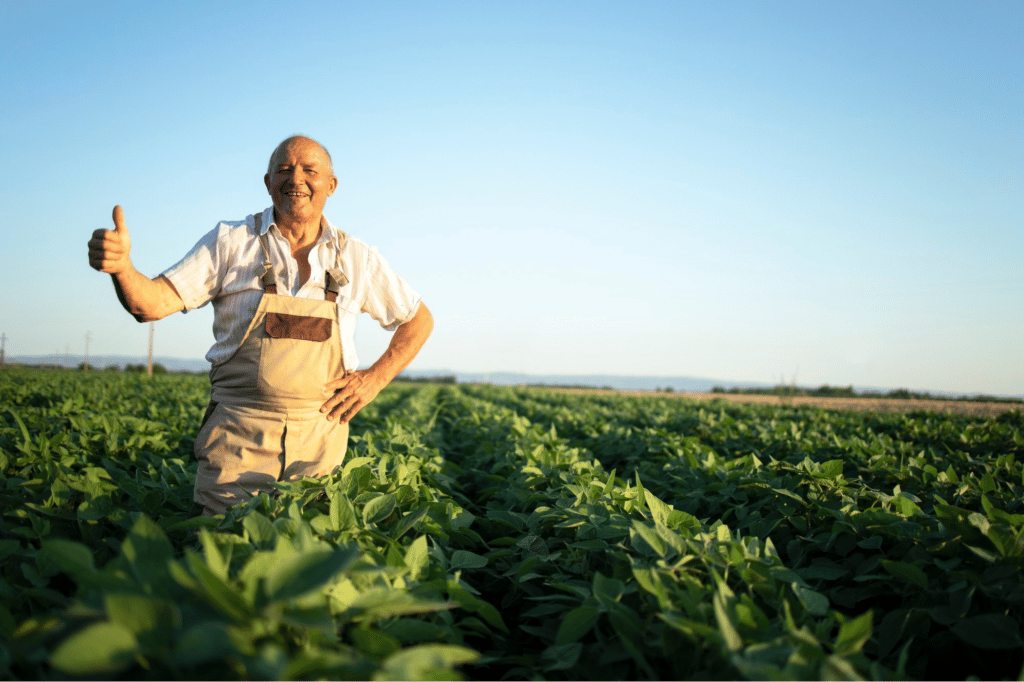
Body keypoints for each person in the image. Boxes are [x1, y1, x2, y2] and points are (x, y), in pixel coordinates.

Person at [87, 135, 434, 516]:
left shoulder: (356, 257)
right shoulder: (231, 242)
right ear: (268, 183)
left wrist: (375, 379)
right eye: (283, 170)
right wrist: (122, 269)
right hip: (236, 449)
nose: (296, 179)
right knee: (223, 557)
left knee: (308, 564)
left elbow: (418, 320)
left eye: (310, 170)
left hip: (320, 452)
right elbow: (149, 304)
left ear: (331, 185)